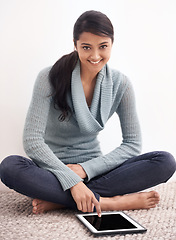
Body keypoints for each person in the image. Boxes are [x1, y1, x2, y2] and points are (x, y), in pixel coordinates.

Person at [0, 10, 176, 217]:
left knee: (164, 161)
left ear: (112, 44)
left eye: (103, 47)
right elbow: (32, 141)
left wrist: (84, 170)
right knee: (10, 167)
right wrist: (72, 180)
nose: (95, 56)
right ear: (75, 45)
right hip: (52, 172)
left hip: (95, 170)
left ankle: (61, 201)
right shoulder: (48, 77)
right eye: (86, 47)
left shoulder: (121, 84)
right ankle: (109, 203)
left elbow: (132, 144)